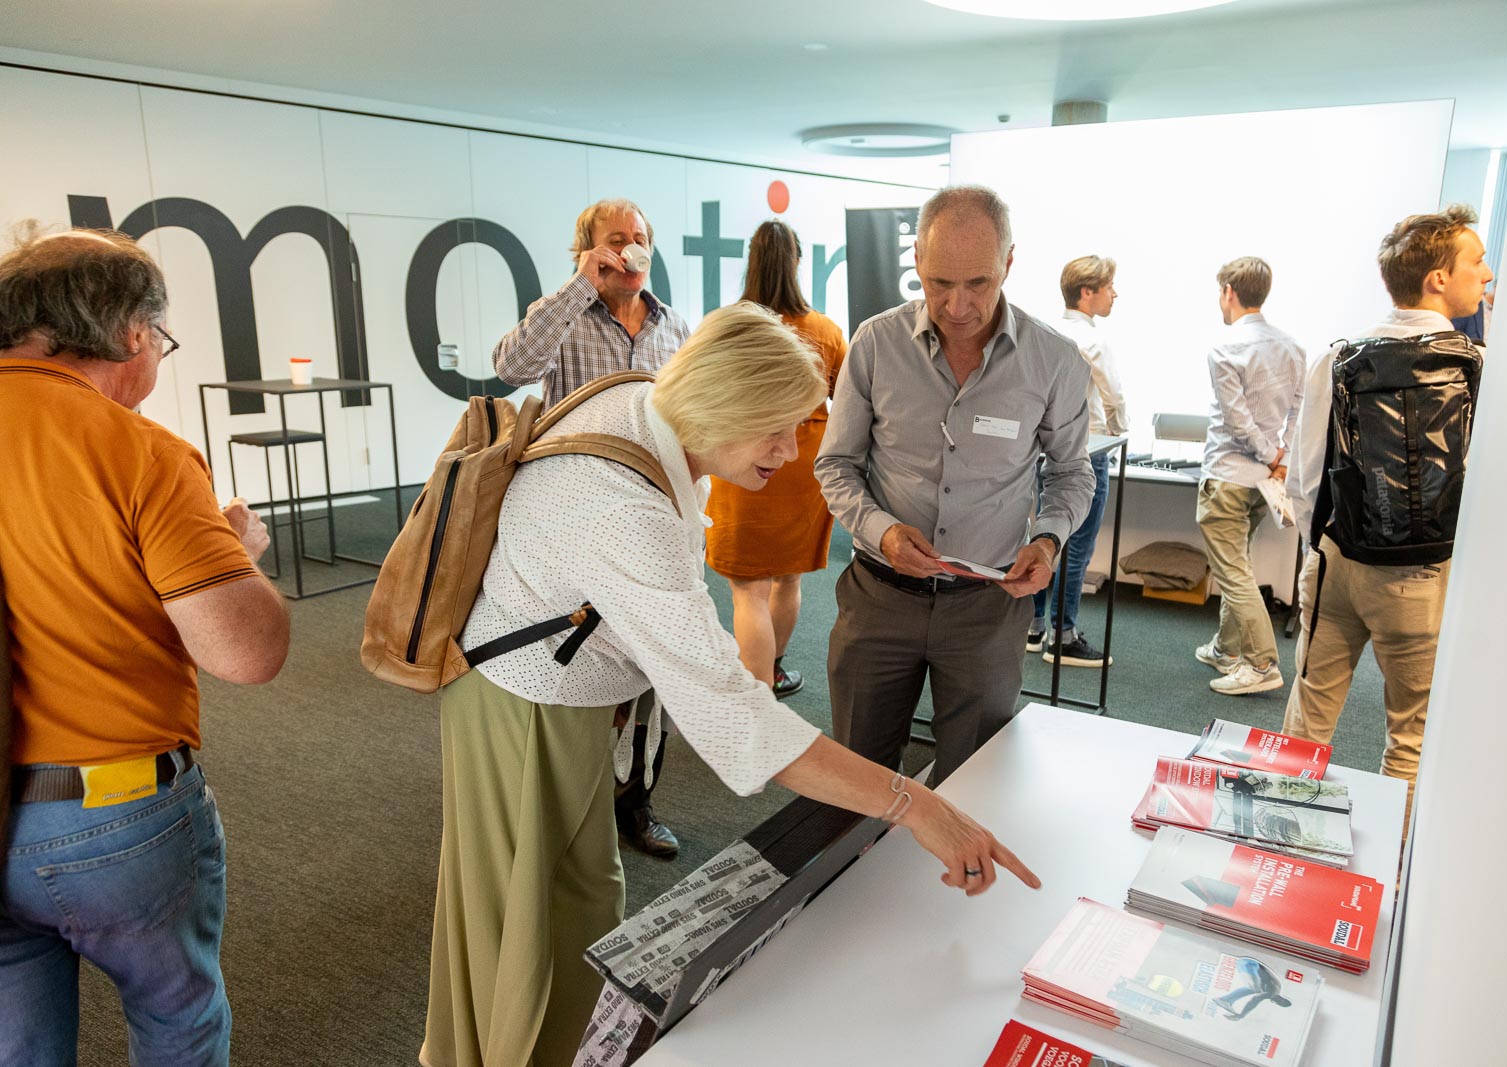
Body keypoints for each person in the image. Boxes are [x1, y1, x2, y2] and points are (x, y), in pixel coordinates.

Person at [422, 303, 1040, 1067]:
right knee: (517, 929)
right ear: (720, 405)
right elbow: (736, 717)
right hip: (518, 706)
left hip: (560, 692)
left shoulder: (647, 406)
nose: (790, 450)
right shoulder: (619, 510)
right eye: (775, 428)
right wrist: (916, 804)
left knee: (574, 897)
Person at [0, 226, 290, 1065]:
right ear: (132, 332)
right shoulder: (140, 451)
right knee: (177, 1018)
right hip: (113, 817)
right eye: (160, 339)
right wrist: (230, 552)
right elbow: (248, 652)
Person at [816, 185, 1096, 787]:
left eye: (979, 283)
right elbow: (835, 466)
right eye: (940, 282)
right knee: (857, 779)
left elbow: (1073, 473)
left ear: (1009, 265)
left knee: (975, 782)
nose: (959, 304)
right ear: (916, 258)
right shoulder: (875, 343)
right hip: (880, 598)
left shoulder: (1054, 360)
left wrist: (1047, 542)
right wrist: (882, 532)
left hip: (988, 608)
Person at [493, 197, 691, 858]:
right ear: (589, 248)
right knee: (575, 658)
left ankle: (636, 799)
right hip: (574, 526)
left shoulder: (676, 328)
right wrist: (582, 283)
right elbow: (510, 367)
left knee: (652, 668)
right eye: (615, 239)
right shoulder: (567, 318)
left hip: (653, 524)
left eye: (638, 238)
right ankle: (569, 795)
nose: (629, 250)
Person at [1281, 205, 1493, 817]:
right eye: (1475, 262)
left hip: (1337, 563)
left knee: (1310, 712)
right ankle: (1393, 872)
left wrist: (1316, 551)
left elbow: (1305, 475)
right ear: (1436, 280)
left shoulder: (1339, 356)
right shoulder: (1480, 366)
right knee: (1410, 736)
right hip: (1424, 578)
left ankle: (1284, 835)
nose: (1486, 274)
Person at [705, 221, 847, 698]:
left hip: (741, 460)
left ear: (751, 263)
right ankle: (775, 670)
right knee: (787, 578)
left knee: (748, 588)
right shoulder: (824, 331)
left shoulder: (730, 326)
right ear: (797, 265)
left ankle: (754, 686)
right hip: (801, 464)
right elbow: (847, 402)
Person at [1193, 256, 1306, 696]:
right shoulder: (1293, 347)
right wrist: (1283, 458)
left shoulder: (1225, 349)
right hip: (1263, 481)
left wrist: (1271, 453)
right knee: (1236, 562)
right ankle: (1226, 648)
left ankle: (1261, 664)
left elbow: (1238, 422)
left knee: (1234, 572)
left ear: (1228, 292)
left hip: (1227, 475)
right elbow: (1299, 412)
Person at [1032, 254, 1127, 668]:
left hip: (1042, 452)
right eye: (1109, 287)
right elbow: (1114, 396)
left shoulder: (1043, 332)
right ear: (1087, 292)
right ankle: (1064, 637)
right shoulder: (1093, 339)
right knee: (1077, 547)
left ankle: (1035, 628)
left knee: (1041, 539)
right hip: (1086, 454)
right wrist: (1120, 432)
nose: (1115, 294)